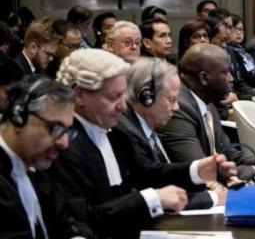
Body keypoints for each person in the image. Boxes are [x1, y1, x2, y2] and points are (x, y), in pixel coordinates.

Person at [52, 49, 236, 238]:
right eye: (113, 97)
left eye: (122, 96)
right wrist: (150, 199)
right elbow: (84, 218)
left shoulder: (115, 133)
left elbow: (145, 174)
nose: (123, 106)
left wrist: (198, 170)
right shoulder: (62, 146)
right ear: (79, 95)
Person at [158, 43, 255, 181]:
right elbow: (201, 171)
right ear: (204, 78)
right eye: (226, 72)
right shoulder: (179, 109)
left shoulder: (206, 101)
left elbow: (228, 152)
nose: (231, 79)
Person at [118, 58, 227, 208]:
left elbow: (162, 176)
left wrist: (202, 174)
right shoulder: (126, 133)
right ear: (146, 97)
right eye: (171, 99)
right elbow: (151, 187)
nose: (176, 107)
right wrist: (212, 197)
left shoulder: (147, 127)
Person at [0, 76, 94, 238]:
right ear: (18, 117)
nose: (64, 143)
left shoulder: (39, 165)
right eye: (56, 128)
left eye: (66, 131)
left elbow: (69, 221)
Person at [228, 14, 255, 89]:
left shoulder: (244, 49)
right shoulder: (228, 51)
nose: (239, 33)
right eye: (234, 29)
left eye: (241, 29)